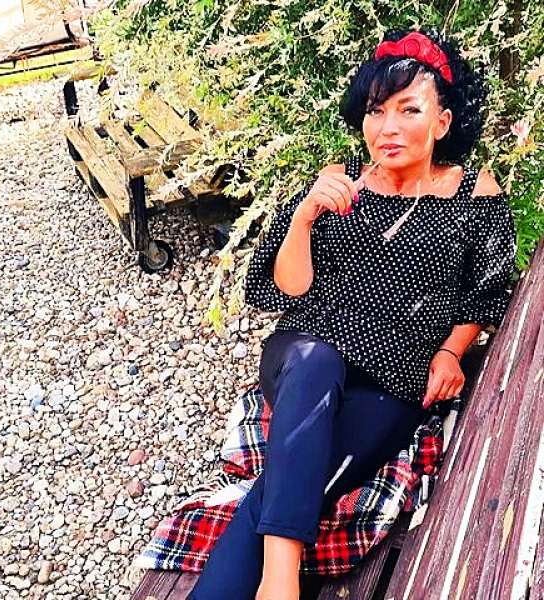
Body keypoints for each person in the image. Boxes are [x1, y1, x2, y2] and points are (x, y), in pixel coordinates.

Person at [187, 28, 517, 600]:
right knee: (316, 361)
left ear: (442, 122)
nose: (388, 128)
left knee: (294, 480)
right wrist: (303, 218)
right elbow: (287, 289)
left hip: (396, 375)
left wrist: (450, 350)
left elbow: (484, 293)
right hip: (307, 353)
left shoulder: (475, 195)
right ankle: (281, 583)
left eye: (409, 110)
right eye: (375, 110)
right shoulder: (338, 183)